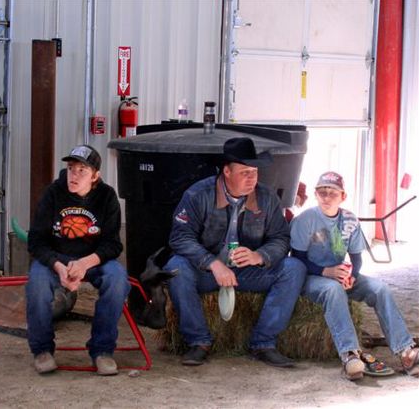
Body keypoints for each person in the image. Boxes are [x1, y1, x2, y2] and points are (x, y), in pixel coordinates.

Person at [166, 137, 306, 367]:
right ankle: (198, 341)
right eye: (245, 172)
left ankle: (263, 343)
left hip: (246, 272)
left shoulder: (266, 197)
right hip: (207, 273)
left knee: (294, 268)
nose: (252, 178)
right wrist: (212, 263)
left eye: (255, 172)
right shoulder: (198, 194)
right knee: (176, 268)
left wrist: (259, 255)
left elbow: (281, 238)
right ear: (227, 172)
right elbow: (180, 237)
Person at [290, 171, 418, 380]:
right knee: (333, 290)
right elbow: (296, 259)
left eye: (333, 193)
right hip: (313, 277)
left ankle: (405, 350)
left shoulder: (349, 219)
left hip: (341, 274)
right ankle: (350, 354)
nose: (327, 197)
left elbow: (356, 257)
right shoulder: (305, 220)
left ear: (343, 196)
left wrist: (353, 275)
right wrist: (327, 272)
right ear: (315, 194)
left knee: (380, 288)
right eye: (322, 192)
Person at [26, 145, 130, 376]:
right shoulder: (53, 193)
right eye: (71, 168)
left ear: (95, 176)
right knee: (37, 282)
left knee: (118, 278)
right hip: (58, 259)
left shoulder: (107, 196)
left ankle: (102, 350)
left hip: (93, 260)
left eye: (82, 170)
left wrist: (84, 264)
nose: (74, 175)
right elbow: (36, 241)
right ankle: (42, 350)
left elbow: (113, 244)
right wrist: (58, 266)